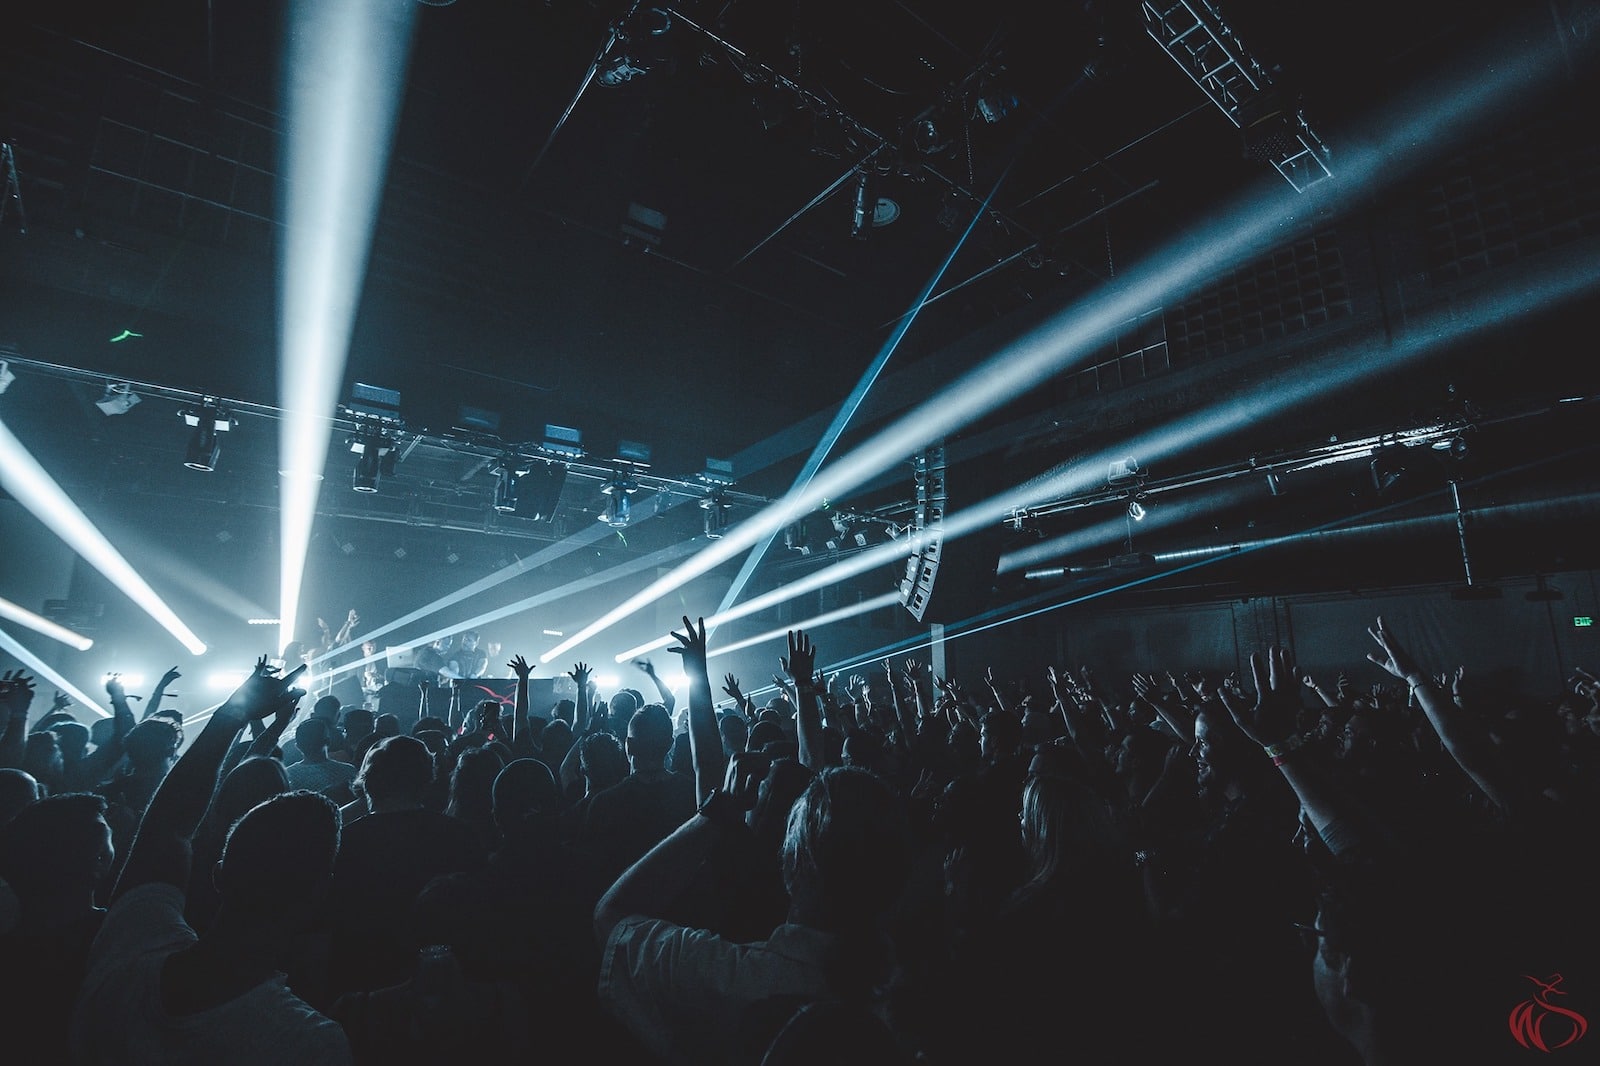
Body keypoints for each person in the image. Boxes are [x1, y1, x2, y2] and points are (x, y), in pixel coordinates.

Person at [594, 619, 914, 1065]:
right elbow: (812, 773)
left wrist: (715, 813)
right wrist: (804, 688)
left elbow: (613, 917)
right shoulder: (907, 979)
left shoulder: (740, 972)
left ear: (797, 859)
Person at [69, 658, 351, 1065]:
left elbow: (166, 829)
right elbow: (170, 830)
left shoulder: (136, 942)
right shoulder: (308, 1042)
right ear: (320, 899)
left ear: (219, 873)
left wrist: (231, 716)